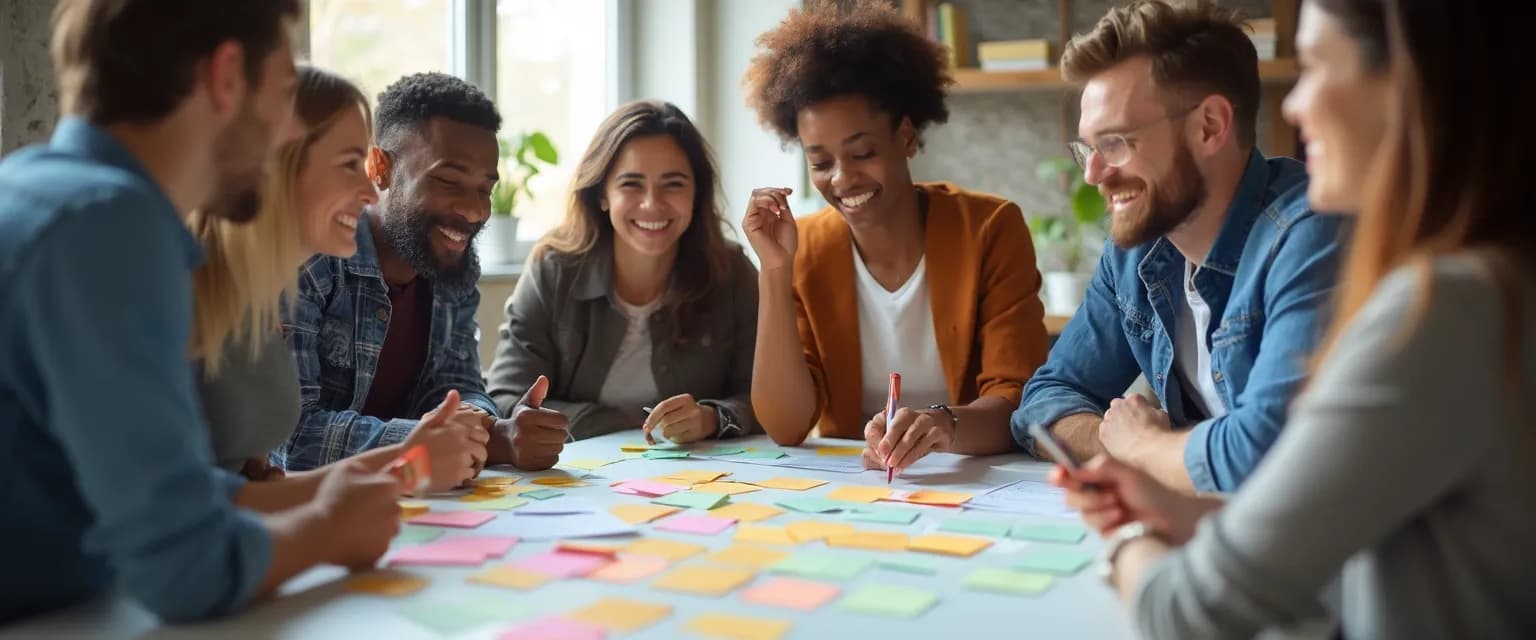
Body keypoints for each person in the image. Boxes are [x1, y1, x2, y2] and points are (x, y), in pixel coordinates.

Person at [1053, 0, 1536, 636]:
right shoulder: (1490, 284)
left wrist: (1128, 531)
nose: (1290, 107)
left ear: (1404, 87)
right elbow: (1363, 529)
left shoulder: (1438, 312)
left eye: (1312, 67)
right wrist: (1180, 509)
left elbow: (1187, 609)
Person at [0, 0, 403, 623]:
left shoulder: (32, 185)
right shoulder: (110, 227)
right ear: (225, 77)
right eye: (284, 93)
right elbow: (186, 568)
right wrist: (329, 529)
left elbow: (139, 484)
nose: (288, 134)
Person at [1011, 0, 1348, 493]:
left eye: (1116, 142)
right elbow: (1043, 401)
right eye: (1088, 147)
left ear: (1209, 125)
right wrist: (1126, 445)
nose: (1093, 174)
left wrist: (1148, 447)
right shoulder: (1136, 252)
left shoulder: (1309, 236)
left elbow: (1271, 458)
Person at [741, 0, 1049, 473]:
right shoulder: (805, 248)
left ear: (905, 138)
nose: (842, 180)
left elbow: (1018, 401)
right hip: (862, 490)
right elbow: (786, 425)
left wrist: (944, 425)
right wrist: (775, 271)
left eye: (862, 152)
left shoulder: (989, 228)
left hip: (975, 485)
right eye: (820, 163)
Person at [190, 65, 487, 496]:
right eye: (351, 164)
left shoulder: (252, 301)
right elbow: (179, 512)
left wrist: (473, 433)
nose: (369, 192)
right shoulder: (187, 295)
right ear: (277, 164)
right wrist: (411, 461)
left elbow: (253, 493)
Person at [275, 71, 568, 473]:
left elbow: (456, 386)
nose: (474, 210)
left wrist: (486, 425)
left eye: (485, 188)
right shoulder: (313, 260)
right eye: (448, 180)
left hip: (409, 500)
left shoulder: (454, 268)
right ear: (379, 167)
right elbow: (291, 440)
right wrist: (429, 443)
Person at [486, 101, 759, 443]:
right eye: (631, 184)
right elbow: (507, 401)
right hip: (578, 480)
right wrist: (623, 424)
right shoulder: (553, 269)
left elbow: (763, 398)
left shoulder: (731, 271)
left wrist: (711, 418)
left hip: (700, 479)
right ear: (602, 194)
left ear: (696, 194)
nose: (652, 204)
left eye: (673, 184)